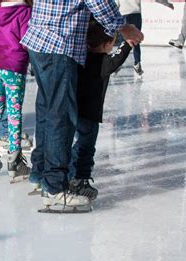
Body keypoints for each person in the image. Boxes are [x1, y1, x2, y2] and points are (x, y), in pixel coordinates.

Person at [21, 0, 143, 211]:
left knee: (46, 111)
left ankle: (40, 173)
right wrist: (125, 28)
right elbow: (98, 2)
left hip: (39, 40)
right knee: (60, 115)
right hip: (59, 43)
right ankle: (55, 187)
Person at [70, 19, 133, 202]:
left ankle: (70, 174)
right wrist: (128, 44)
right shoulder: (103, 61)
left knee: (77, 144)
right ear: (106, 45)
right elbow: (117, 59)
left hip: (75, 111)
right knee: (86, 148)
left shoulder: (80, 58)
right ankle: (81, 179)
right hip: (90, 115)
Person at [0, 0, 32, 182]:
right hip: (13, 66)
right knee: (14, 111)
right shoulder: (25, 12)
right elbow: (27, 40)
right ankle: (15, 159)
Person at [116, 0, 143, 75]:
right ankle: (137, 63)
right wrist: (166, 3)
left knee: (122, 41)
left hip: (124, 14)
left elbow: (116, 4)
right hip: (136, 14)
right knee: (136, 40)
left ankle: (118, 63)